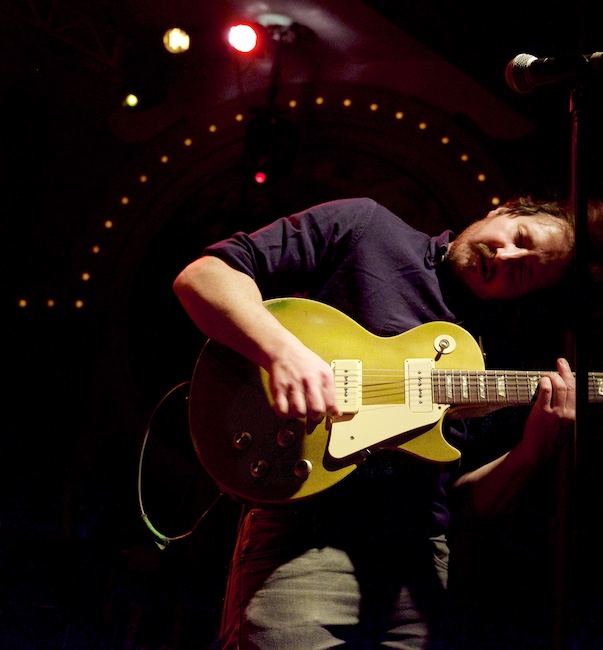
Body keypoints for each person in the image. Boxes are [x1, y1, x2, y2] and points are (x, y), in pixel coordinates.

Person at [173, 196, 578, 649]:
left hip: (419, 568)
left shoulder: (496, 356)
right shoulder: (367, 227)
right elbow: (204, 276)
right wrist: (282, 352)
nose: (505, 257)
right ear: (502, 211)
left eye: (522, 272)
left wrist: (532, 451)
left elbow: (466, 504)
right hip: (307, 542)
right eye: (518, 238)